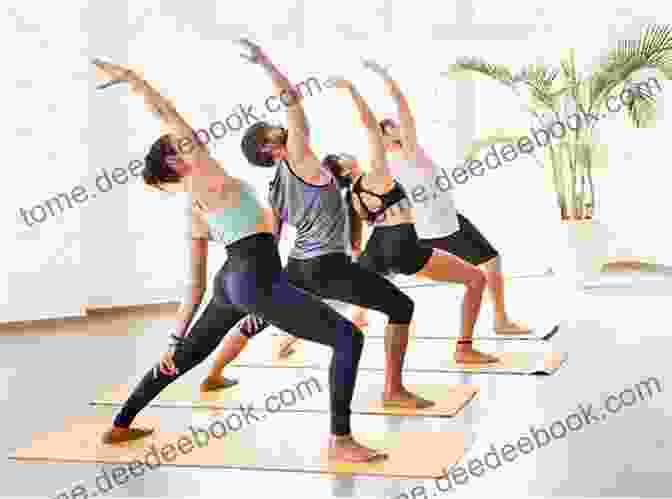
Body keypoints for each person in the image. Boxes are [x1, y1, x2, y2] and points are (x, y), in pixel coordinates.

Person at [91, 45, 384, 463]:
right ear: (175, 159)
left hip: (231, 280)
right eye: (180, 145)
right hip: (254, 278)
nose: (188, 142)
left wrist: (175, 339)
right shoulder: (206, 175)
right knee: (348, 338)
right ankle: (342, 439)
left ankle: (120, 424)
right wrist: (133, 80)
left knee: (188, 355)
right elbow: (166, 113)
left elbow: (194, 285)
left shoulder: (196, 207)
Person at [223, 42, 431, 408]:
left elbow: (273, 234)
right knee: (401, 307)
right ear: (269, 152)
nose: (280, 129)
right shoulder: (297, 157)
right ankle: (393, 392)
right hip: (325, 266)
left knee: (260, 318)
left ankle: (213, 371)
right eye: (273, 132)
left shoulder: (275, 186)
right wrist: (266, 64)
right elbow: (293, 104)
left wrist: (268, 278)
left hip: (299, 266)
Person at [350, 59, 529, 337]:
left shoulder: (388, 163)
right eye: (388, 129)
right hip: (435, 227)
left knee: (369, 271)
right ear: (382, 139)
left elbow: (398, 117)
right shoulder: (403, 154)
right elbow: (402, 109)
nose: (396, 129)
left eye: (394, 126)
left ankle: (358, 314)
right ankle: (500, 320)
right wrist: (383, 75)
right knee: (490, 261)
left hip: (429, 226)